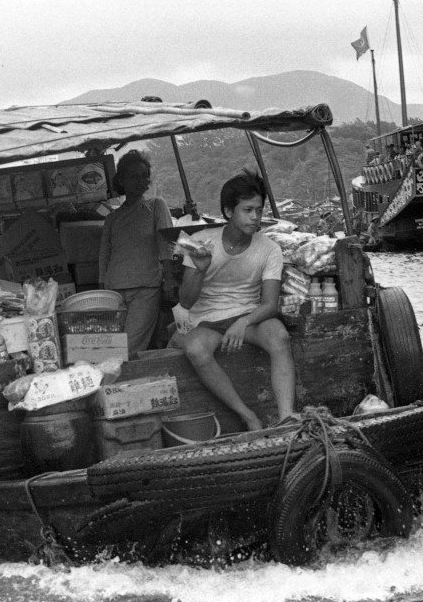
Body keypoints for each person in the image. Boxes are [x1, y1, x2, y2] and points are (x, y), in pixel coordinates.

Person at [177, 169, 296, 430]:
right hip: (207, 321)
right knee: (195, 350)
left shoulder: (270, 249)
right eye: (248, 210)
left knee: (280, 337)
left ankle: (287, 417)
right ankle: (248, 416)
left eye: (259, 210)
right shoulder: (200, 242)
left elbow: (269, 304)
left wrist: (242, 323)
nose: (255, 217)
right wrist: (200, 267)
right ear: (229, 212)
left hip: (249, 317)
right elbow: (185, 301)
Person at [99, 150, 176, 355]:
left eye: (144, 175)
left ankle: (118, 383)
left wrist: (169, 278)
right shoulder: (112, 218)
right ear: (122, 180)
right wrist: (102, 288)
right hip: (114, 288)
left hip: (146, 288)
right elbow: (104, 255)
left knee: (129, 347)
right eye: (133, 176)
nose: (140, 181)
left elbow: (166, 243)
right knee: (111, 345)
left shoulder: (156, 206)